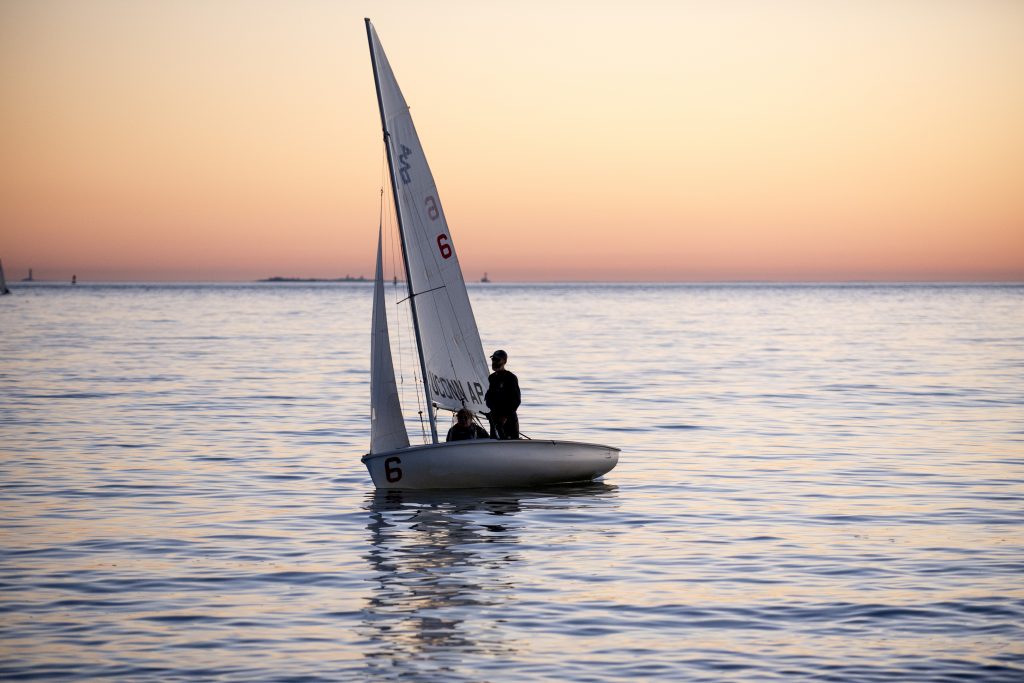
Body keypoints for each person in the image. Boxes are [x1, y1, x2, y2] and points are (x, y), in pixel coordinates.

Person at [484, 349, 520, 439]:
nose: (494, 362)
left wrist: (505, 416)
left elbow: (516, 400)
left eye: (497, 360)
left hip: (508, 419)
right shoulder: (492, 378)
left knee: (511, 443)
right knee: (494, 441)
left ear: (504, 361)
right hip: (495, 418)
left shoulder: (510, 378)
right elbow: (489, 397)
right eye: (493, 359)